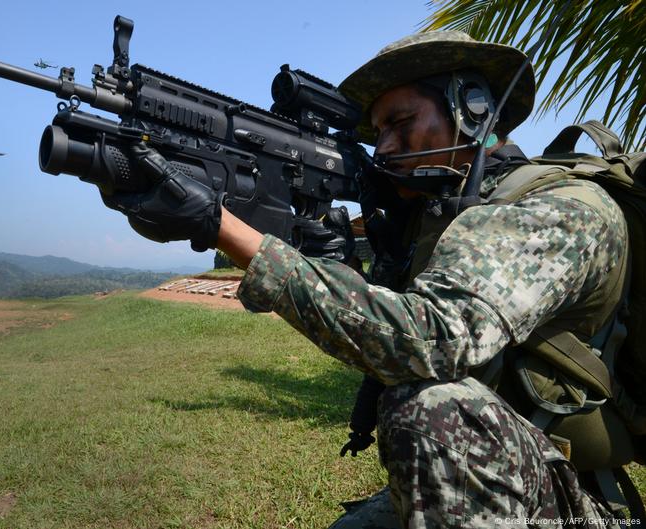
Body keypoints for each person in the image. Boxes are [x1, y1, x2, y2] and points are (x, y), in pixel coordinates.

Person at [102, 31, 632, 528]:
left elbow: (429, 340)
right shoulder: (433, 223)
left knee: (431, 412)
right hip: (485, 472)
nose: (383, 148)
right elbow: (374, 326)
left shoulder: (558, 208)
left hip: (571, 498)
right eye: (378, 132)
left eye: (401, 123)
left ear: (473, 109)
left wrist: (224, 230)